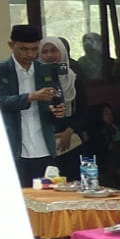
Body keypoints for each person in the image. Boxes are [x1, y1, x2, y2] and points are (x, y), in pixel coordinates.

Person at [0, 24, 61, 185]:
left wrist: (58, 111)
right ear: (11, 45)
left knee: (46, 193)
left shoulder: (46, 70)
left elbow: (57, 99)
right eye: (24, 49)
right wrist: (31, 97)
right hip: (14, 148)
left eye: (34, 49)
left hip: (44, 147)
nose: (30, 54)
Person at [38, 36, 86, 179]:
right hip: (42, 143)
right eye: (45, 52)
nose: (50, 55)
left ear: (63, 52)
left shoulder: (74, 79)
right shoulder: (35, 81)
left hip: (69, 142)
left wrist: (69, 131)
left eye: (54, 50)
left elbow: (83, 110)